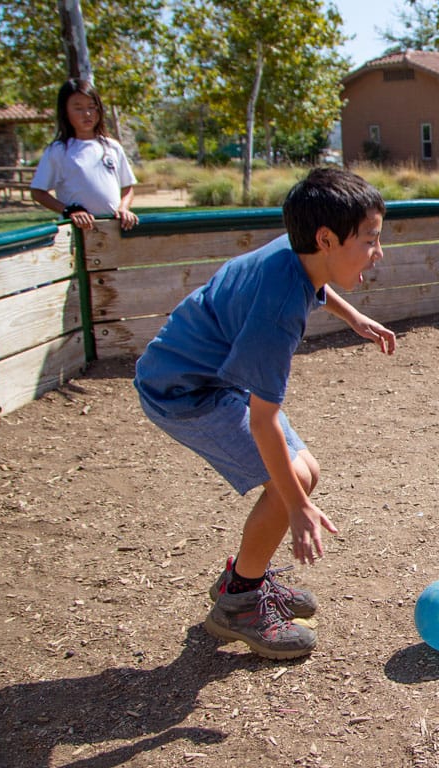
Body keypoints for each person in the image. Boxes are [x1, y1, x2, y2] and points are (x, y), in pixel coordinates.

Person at [134, 167, 396, 659]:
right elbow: (263, 420)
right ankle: (239, 604)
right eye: (370, 240)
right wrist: (296, 507)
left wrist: (354, 316)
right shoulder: (278, 314)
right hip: (182, 392)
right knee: (291, 483)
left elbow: (316, 279)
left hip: (205, 374)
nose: (378, 252)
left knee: (305, 472)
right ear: (325, 238)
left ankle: (243, 575)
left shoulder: (297, 251)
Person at [30, 79, 139, 233]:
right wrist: (69, 211)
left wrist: (124, 208)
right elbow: (38, 192)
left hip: (114, 231)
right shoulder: (58, 151)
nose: (87, 114)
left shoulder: (112, 147)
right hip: (79, 233)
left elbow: (127, 187)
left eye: (92, 107)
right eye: (78, 108)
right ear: (65, 112)